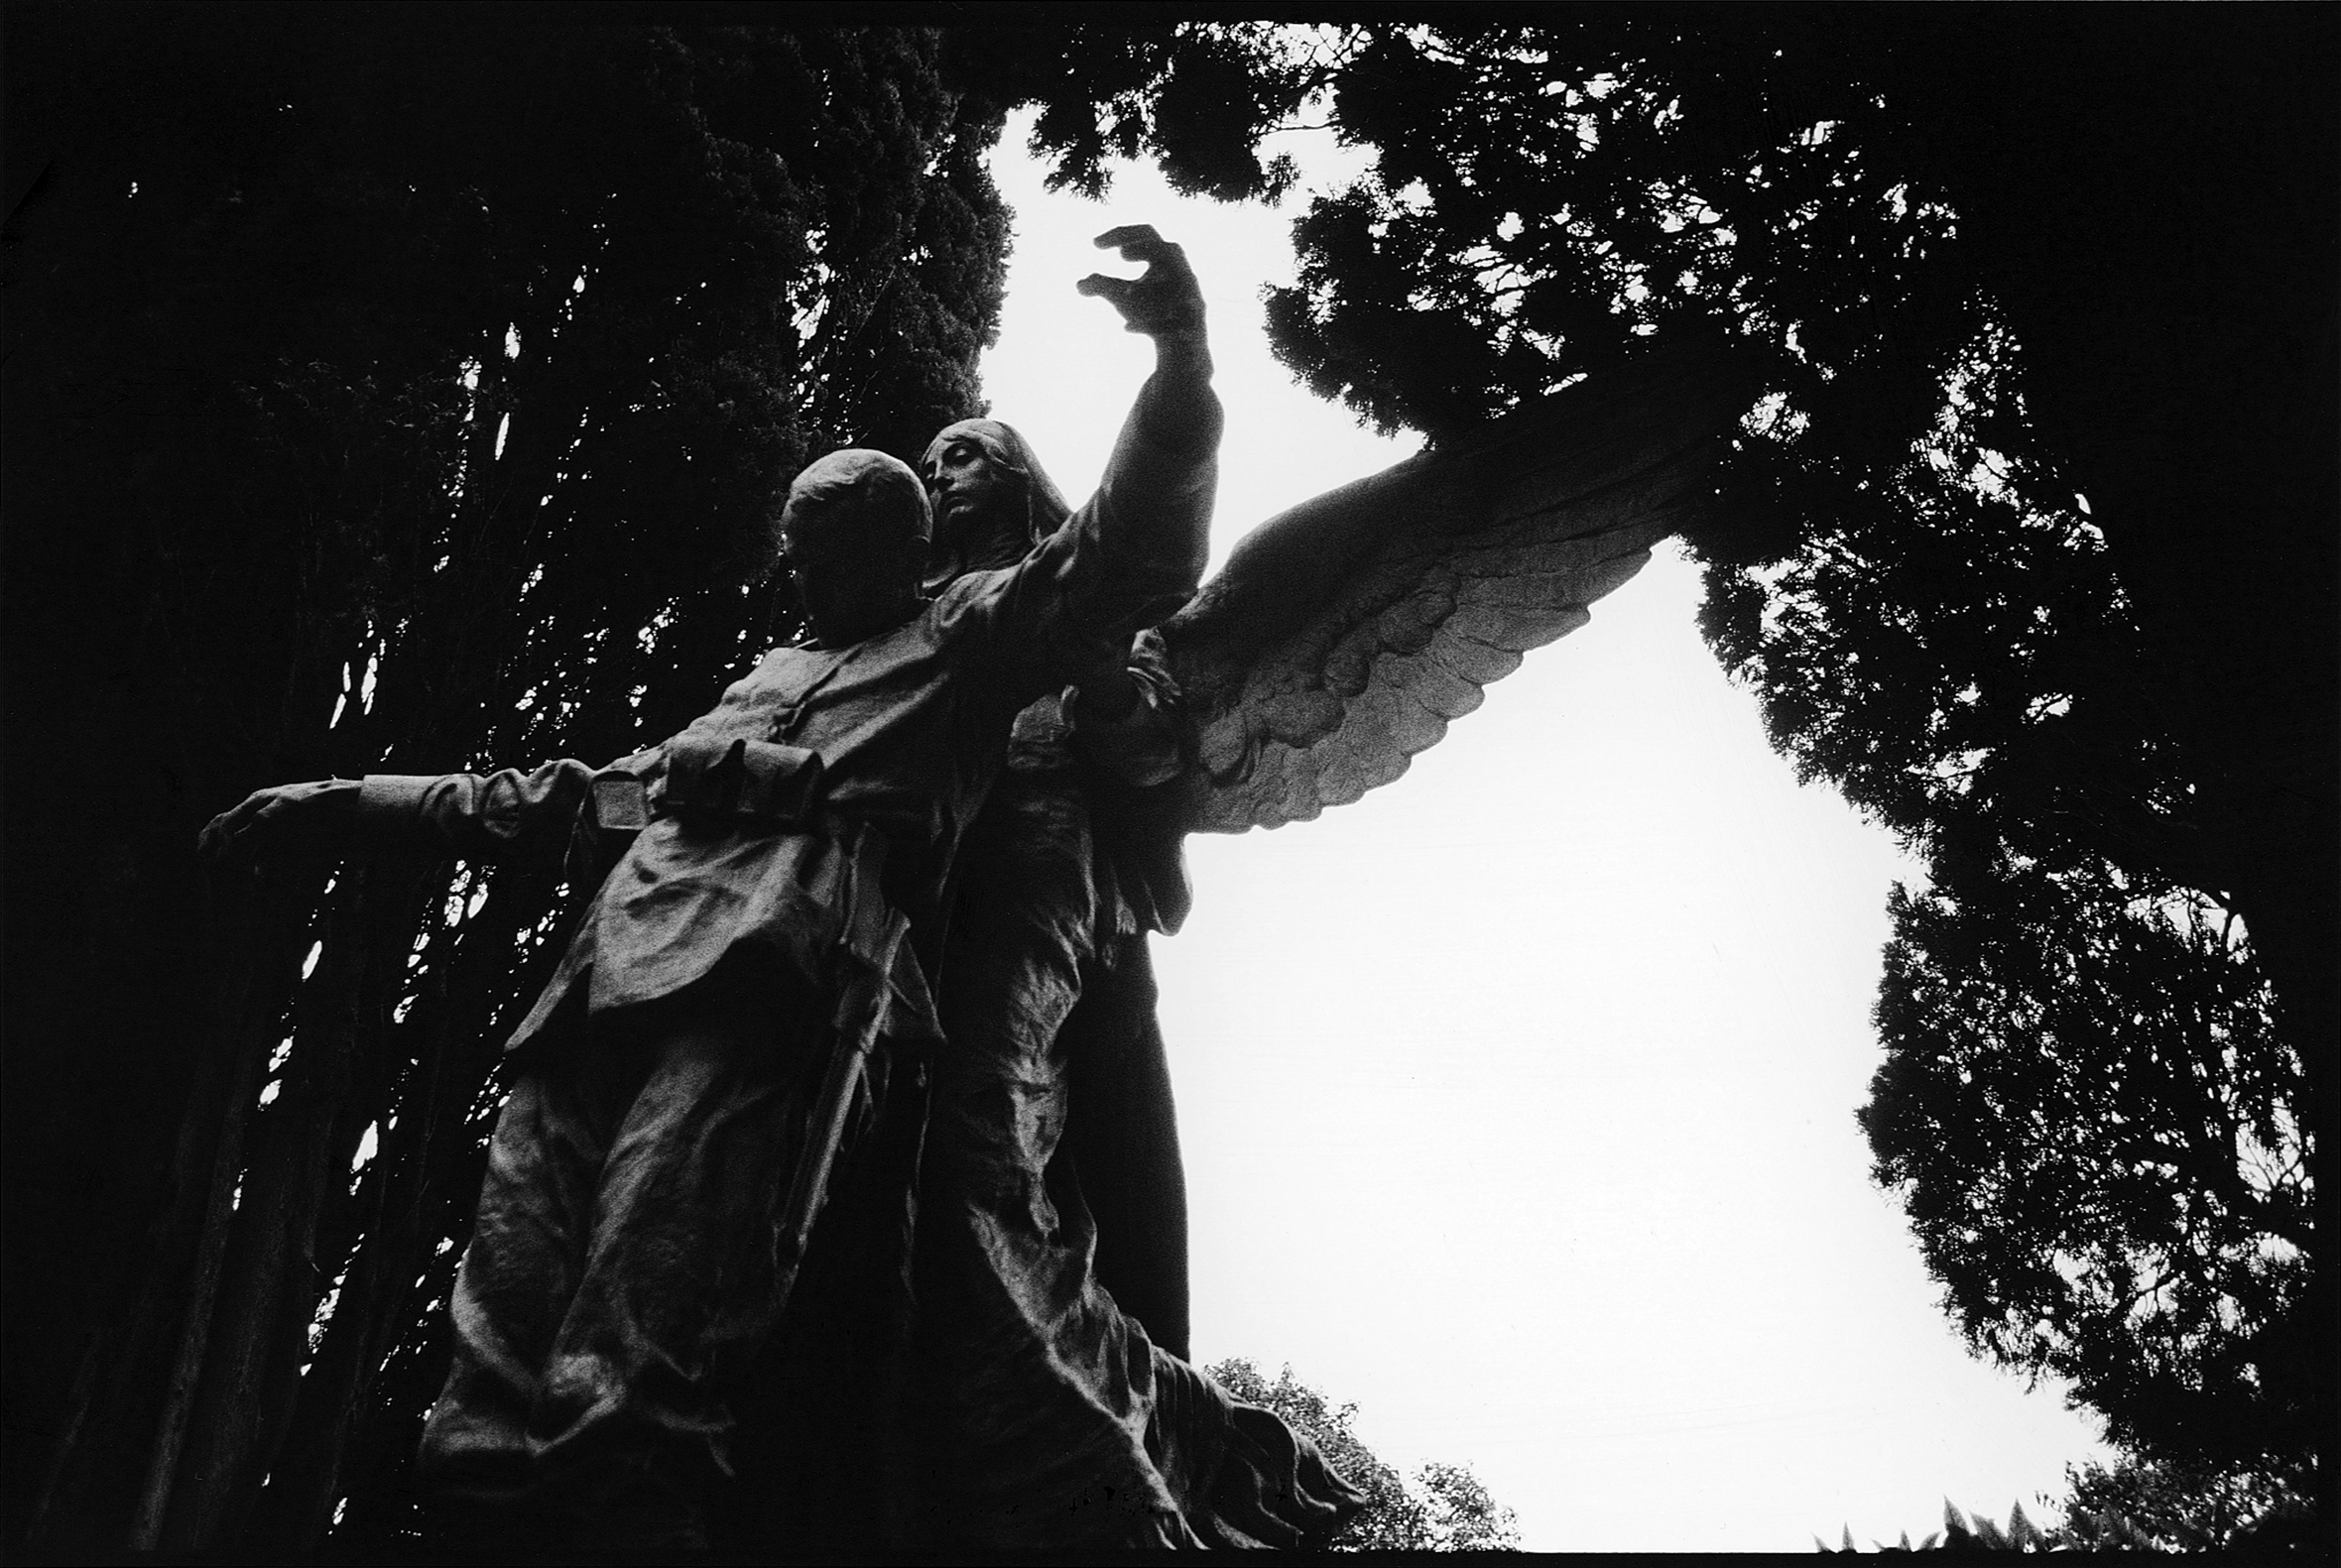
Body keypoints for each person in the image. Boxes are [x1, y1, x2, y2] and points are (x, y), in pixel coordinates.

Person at [199, 227, 1218, 1551]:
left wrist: (1181, 360)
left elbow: (1123, 559)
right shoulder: (755, 684)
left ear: (878, 548)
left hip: (766, 996)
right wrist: (337, 805)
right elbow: (558, 798)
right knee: (478, 1406)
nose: (788, 571)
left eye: (813, 543)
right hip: (588, 1007)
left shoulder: (962, 655)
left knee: (628, 1390)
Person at [901, 414, 1366, 1549]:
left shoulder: (1087, 609)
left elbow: (1156, 758)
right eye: (927, 464)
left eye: (963, 455)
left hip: (1043, 895)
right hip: (909, 904)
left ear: (1015, 481)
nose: (937, 475)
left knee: (982, 1160)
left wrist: (1093, 663)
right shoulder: (897, 622)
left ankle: (1114, 1471)